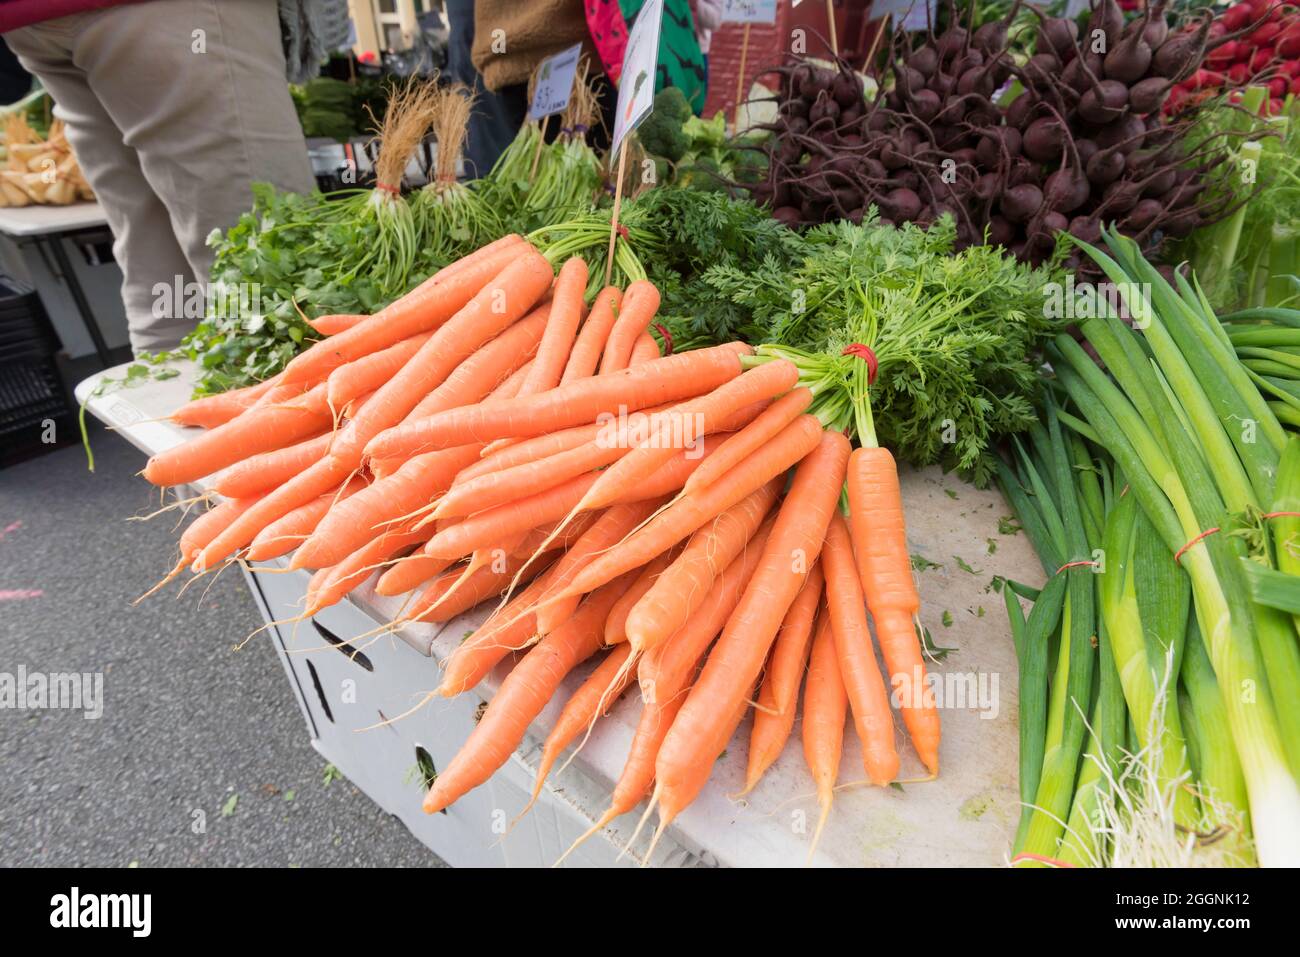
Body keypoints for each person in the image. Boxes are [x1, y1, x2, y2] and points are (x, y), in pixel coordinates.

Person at [2, 0, 314, 354]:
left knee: (163, 279)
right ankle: (311, 405)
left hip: (35, 19)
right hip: (167, 13)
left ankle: (175, 407)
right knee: (278, 283)